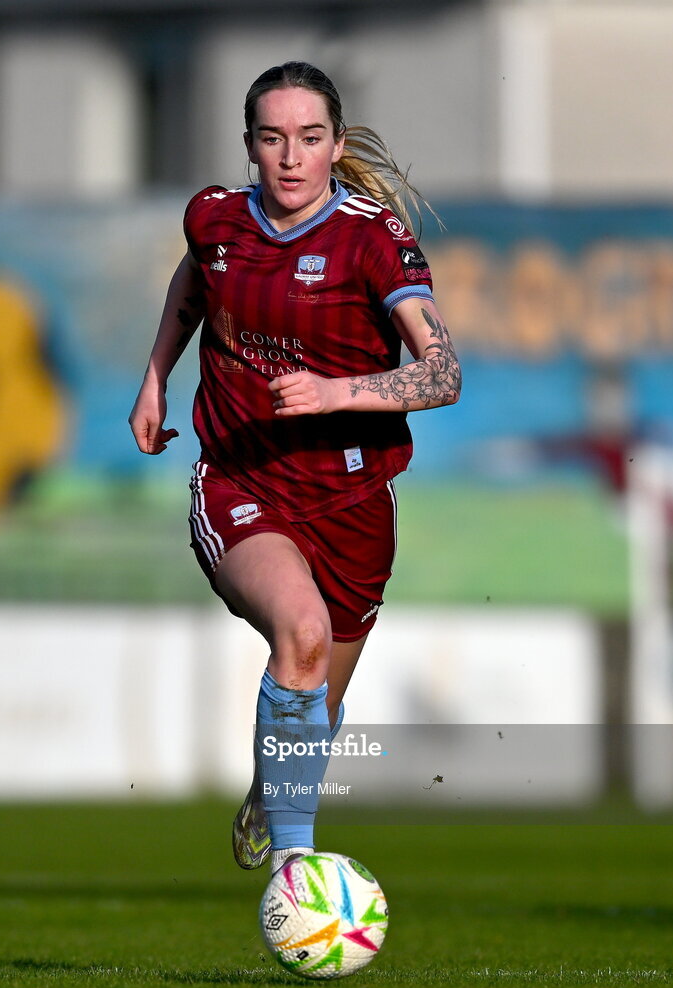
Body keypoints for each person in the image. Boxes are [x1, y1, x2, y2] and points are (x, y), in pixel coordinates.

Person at [129, 61, 461, 875]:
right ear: (249, 144)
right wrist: (155, 374)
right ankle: (295, 874)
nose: (290, 156)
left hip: (352, 499)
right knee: (302, 636)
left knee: (315, 702)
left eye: (309, 138)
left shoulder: (372, 239)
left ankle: (269, 792)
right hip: (239, 478)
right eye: (272, 138)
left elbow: (443, 374)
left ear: (335, 145)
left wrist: (336, 391)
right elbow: (196, 277)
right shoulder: (213, 218)